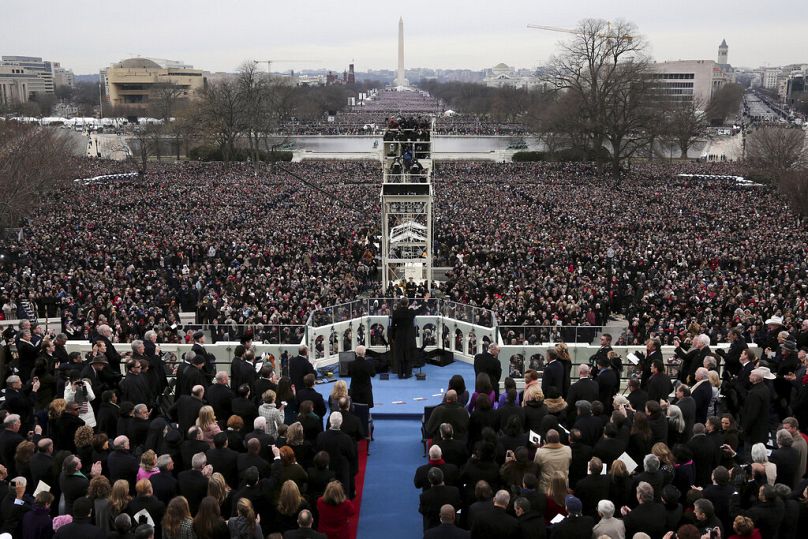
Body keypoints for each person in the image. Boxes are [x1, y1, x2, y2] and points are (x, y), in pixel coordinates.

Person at [389, 294, 430, 378]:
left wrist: (393, 337)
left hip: (399, 337)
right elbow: (421, 309)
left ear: (401, 303)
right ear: (407, 303)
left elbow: (393, 326)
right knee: (408, 355)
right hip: (409, 337)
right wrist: (425, 300)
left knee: (400, 355)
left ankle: (400, 374)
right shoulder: (410, 312)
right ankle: (408, 373)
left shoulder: (396, 312)